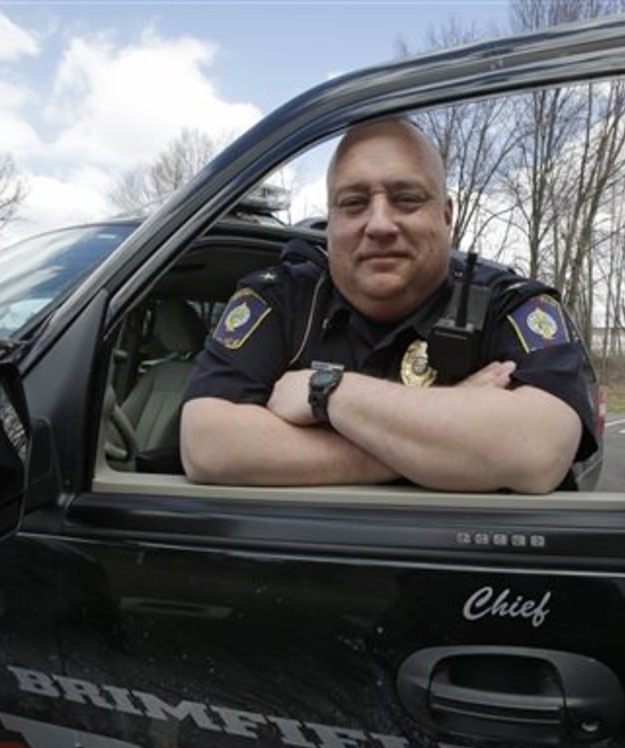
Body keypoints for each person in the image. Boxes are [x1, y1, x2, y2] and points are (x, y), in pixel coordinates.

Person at [180, 118, 597, 493]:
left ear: (446, 215)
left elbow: (537, 452)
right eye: (354, 203)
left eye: (406, 198)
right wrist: (443, 445)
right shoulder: (282, 299)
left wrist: (326, 392)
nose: (379, 224)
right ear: (332, 219)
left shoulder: (510, 304)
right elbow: (207, 444)